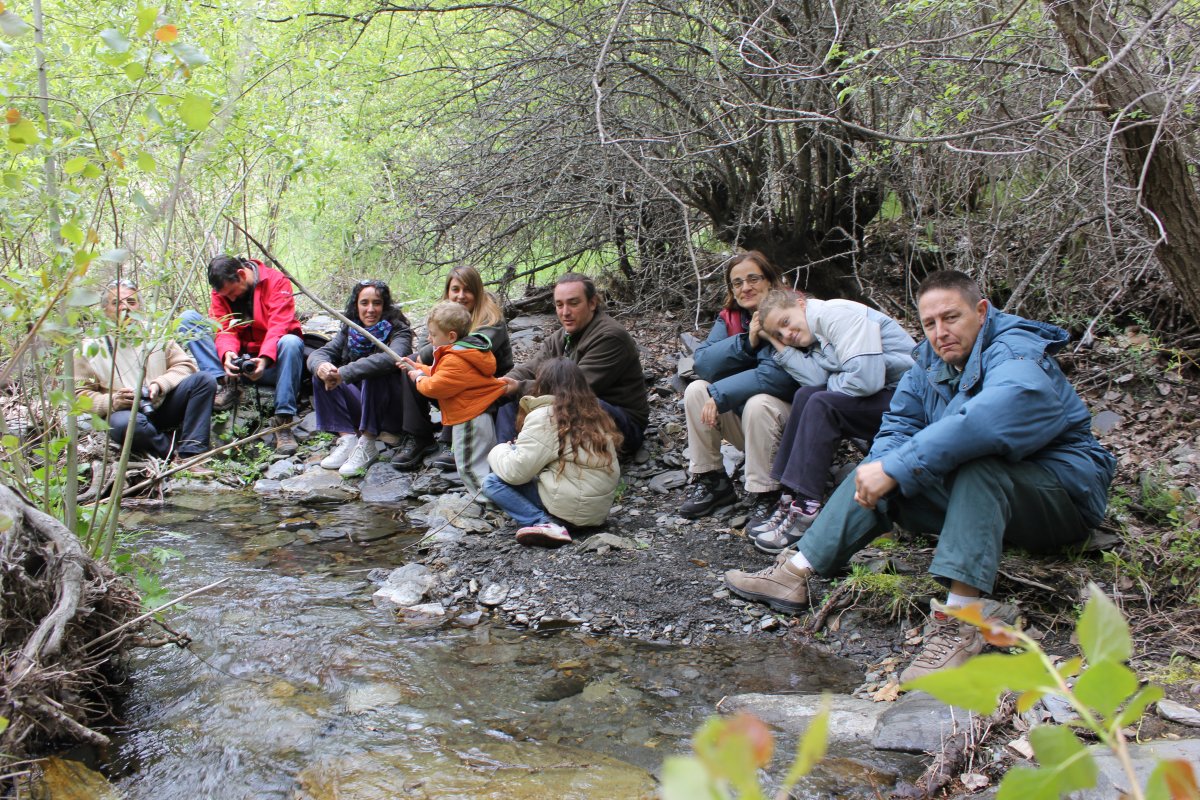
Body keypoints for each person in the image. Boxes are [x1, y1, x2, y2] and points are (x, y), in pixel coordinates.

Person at [723, 271, 1116, 682]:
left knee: (974, 465)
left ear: (980, 312)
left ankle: (961, 621)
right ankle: (796, 572)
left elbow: (998, 415)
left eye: (951, 318)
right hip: (990, 508)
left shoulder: (1016, 350)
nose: (940, 332)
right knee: (876, 466)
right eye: (930, 323)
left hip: (1060, 499)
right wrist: (880, 469)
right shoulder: (928, 362)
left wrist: (897, 466)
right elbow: (898, 425)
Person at [746, 289, 917, 553]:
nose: (787, 334)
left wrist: (830, 382)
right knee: (805, 395)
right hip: (885, 395)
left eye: (786, 322)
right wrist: (776, 340)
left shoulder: (836, 315)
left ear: (801, 304)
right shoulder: (814, 336)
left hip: (910, 399)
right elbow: (814, 381)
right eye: (778, 334)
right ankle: (789, 497)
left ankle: (806, 509)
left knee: (821, 403)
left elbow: (865, 379)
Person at [678, 251, 798, 524]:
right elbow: (704, 363)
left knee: (759, 402)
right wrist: (747, 342)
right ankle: (712, 480)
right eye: (737, 282)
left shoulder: (790, 312)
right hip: (748, 424)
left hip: (792, 427)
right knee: (697, 390)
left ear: (770, 281)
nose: (745, 288)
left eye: (753, 279)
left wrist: (720, 394)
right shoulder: (731, 318)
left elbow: (778, 377)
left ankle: (767, 493)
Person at [496, 273, 648, 458]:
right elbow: (532, 367)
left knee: (554, 402)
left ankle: (522, 461)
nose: (565, 312)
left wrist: (519, 387)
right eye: (559, 305)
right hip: (579, 408)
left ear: (592, 303)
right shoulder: (562, 336)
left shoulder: (610, 337)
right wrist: (501, 384)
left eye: (573, 303)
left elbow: (575, 390)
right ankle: (508, 458)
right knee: (508, 403)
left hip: (620, 424)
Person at [75, 280, 217, 468]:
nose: (124, 308)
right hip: (123, 413)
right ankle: (171, 452)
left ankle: (193, 453)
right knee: (127, 423)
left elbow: (184, 366)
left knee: (204, 380)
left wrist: (160, 384)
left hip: (161, 403)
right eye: (116, 303)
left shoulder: (155, 333)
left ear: (140, 306)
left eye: (131, 302)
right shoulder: (88, 347)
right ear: (104, 310)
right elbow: (79, 396)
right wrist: (113, 401)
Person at [484, 358, 623, 547]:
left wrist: (499, 449)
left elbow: (516, 473)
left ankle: (544, 523)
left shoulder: (546, 416)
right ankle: (557, 520)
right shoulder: (595, 413)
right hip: (595, 513)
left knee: (492, 482)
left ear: (542, 384)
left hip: (571, 511)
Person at [397, 265, 513, 471]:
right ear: (448, 291)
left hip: (485, 392)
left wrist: (435, 348)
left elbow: (465, 351)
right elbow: (426, 348)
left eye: (467, 290)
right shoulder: (442, 314)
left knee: (454, 371)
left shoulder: (492, 319)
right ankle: (418, 437)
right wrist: (419, 363)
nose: (461, 296)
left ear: (477, 291)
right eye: (455, 289)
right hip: (453, 380)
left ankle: (451, 442)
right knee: (411, 366)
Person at [399, 301, 507, 494]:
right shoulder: (464, 352)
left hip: (469, 420)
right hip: (479, 416)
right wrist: (417, 368)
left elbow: (435, 386)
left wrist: (419, 378)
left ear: (451, 336)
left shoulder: (454, 359)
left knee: (468, 466)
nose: (430, 340)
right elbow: (441, 374)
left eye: (433, 335)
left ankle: (484, 499)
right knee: (483, 462)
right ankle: (491, 494)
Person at [308, 280, 413, 476]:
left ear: (385, 306)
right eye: (364, 303)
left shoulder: (399, 331)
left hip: (392, 411)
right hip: (364, 407)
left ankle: (368, 442)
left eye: (377, 303)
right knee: (322, 374)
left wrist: (344, 373)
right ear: (356, 305)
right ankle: (348, 438)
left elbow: (391, 358)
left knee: (374, 371)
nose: (370, 309)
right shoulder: (350, 329)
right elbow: (320, 353)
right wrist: (322, 367)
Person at [204, 254, 305, 455]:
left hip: (273, 363)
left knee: (291, 341)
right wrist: (228, 354)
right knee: (189, 321)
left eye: (233, 292)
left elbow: (279, 326)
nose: (231, 298)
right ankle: (227, 383)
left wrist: (265, 359)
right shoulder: (221, 293)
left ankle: (283, 421)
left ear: (241, 274)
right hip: (241, 362)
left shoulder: (276, 281)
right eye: (226, 295)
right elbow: (224, 328)